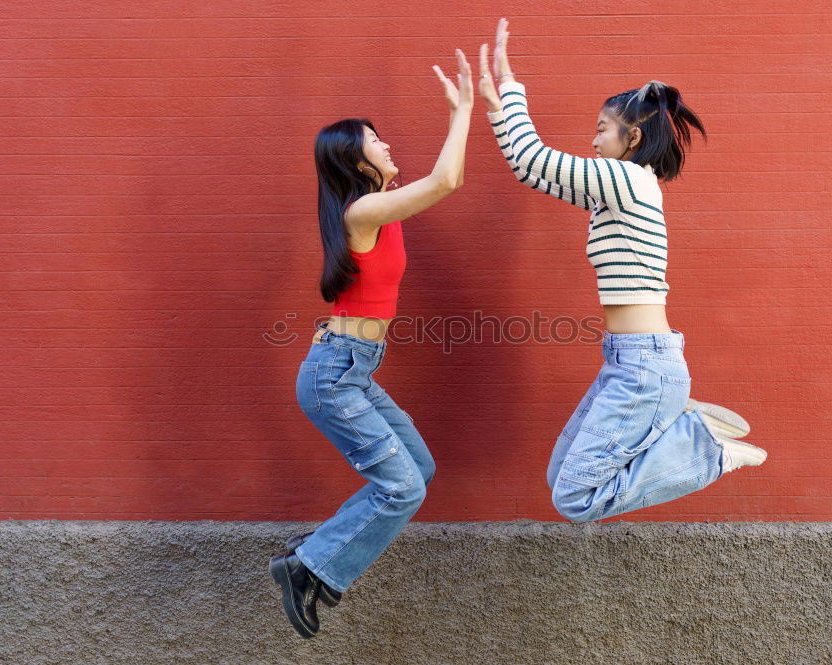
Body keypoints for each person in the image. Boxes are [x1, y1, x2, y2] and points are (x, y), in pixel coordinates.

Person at [478, 19, 766, 523]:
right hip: (628, 361)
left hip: (644, 366)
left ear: (632, 136)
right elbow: (530, 172)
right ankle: (685, 424)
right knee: (561, 477)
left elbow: (531, 156)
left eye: (601, 129)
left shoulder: (625, 178)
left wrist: (508, 91)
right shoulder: (618, 187)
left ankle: (706, 450)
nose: (592, 141)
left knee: (574, 498)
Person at [270, 50, 474, 639]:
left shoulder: (379, 208)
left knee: (420, 469)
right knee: (401, 487)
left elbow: (428, 188)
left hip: (350, 370)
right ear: (352, 160)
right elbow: (449, 180)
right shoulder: (364, 209)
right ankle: (311, 566)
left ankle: (319, 554)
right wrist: (462, 111)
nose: (386, 145)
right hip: (336, 374)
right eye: (374, 140)